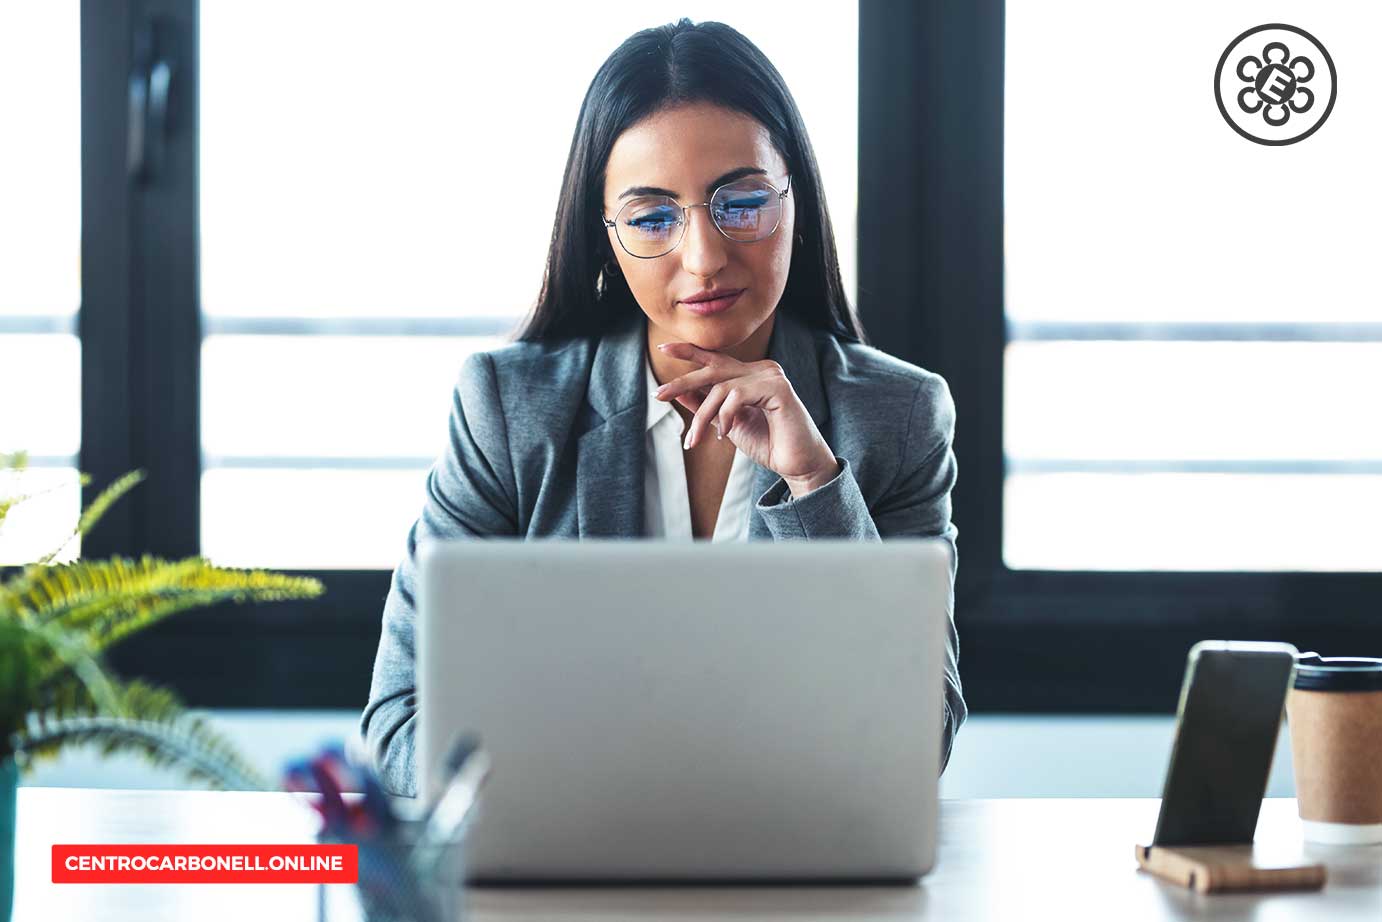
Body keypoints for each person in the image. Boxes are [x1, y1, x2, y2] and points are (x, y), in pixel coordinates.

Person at [361, 18, 966, 798]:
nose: (705, 256)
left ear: (797, 203)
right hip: (566, 879)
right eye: (652, 218)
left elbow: (915, 743)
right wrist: (571, 808)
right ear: (605, 237)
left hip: (797, 881)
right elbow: (401, 716)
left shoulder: (899, 416)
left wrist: (816, 483)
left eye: (741, 203)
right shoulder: (509, 410)